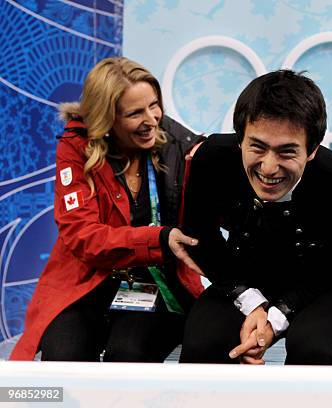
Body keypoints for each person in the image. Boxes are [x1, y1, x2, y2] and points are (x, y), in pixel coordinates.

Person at [10, 57, 204, 362]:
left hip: (155, 282)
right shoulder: (76, 148)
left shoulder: (178, 143)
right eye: (135, 113)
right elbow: (82, 236)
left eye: (155, 105)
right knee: (63, 358)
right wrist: (159, 239)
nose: (152, 120)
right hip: (86, 281)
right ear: (106, 118)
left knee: (126, 355)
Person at [179, 70, 332, 365]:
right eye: (257, 147)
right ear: (240, 139)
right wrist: (252, 304)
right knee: (202, 347)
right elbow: (200, 237)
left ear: (312, 150)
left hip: (321, 282)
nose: (268, 168)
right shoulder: (212, 158)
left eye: (286, 152)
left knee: (311, 352)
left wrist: (273, 321)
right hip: (241, 275)